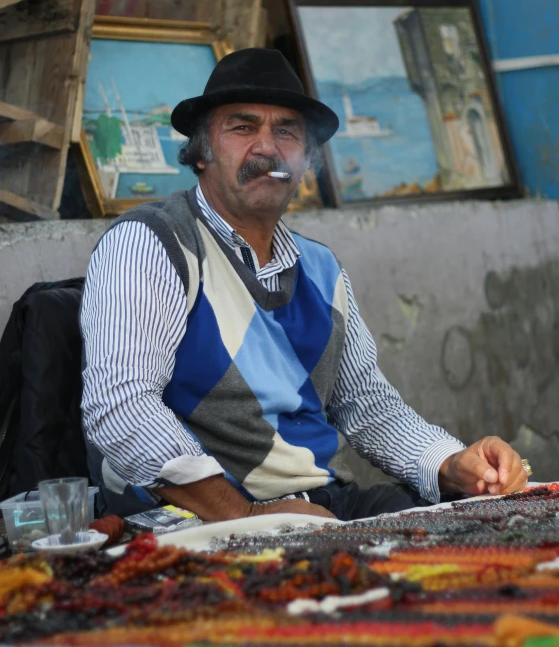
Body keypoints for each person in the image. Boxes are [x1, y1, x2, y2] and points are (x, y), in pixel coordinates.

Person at [81, 48, 528, 522]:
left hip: (320, 505)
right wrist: (251, 518)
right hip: (195, 519)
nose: (268, 149)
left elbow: (367, 406)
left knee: (487, 528)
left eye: (287, 131)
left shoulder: (321, 268)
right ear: (201, 152)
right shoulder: (151, 242)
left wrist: (452, 463)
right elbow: (121, 406)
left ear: (306, 159)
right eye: (242, 127)